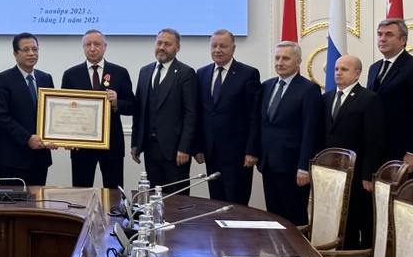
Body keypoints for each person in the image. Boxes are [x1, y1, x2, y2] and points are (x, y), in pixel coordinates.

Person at [323, 54, 385, 257]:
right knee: (341, 220)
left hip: (359, 175)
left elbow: (374, 140)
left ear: (357, 73)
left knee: (361, 220)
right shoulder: (327, 97)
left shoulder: (369, 98)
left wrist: (368, 174)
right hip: (333, 174)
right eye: (336, 69)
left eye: (344, 69)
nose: (338, 73)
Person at [255, 41, 323, 226]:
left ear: (298, 62)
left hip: (293, 167)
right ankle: (278, 254)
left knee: (294, 218)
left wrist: (304, 167)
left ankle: (297, 254)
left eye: (286, 58)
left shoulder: (309, 89)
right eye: (277, 58)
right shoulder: (267, 86)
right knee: (274, 217)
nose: (280, 62)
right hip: (269, 163)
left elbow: (311, 130)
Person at [194, 29, 261, 205]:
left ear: (233, 48)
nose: (218, 50)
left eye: (223, 46)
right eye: (214, 46)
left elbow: (254, 116)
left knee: (236, 204)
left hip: (238, 155)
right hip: (211, 152)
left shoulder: (248, 74)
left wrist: (252, 150)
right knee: (216, 203)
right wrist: (198, 147)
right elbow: (201, 114)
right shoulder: (202, 73)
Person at [61, 29, 135, 189]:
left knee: (114, 192)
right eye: (88, 44)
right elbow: (65, 111)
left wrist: (116, 103)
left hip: (111, 144)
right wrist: (66, 138)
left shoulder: (119, 72)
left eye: (97, 44)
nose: (92, 48)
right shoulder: (71, 74)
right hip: (82, 147)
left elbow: (132, 106)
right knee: (80, 192)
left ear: (105, 47)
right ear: (83, 47)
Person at [131, 28, 198, 192]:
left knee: (177, 199)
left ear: (177, 48)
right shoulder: (145, 71)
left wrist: (185, 148)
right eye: (159, 43)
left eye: (167, 44)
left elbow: (191, 114)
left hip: (176, 151)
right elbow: (139, 110)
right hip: (150, 148)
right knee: (153, 197)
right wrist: (135, 143)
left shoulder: (186, 73)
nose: (162, 47)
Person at [367, 18, 413, 178]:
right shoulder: (374, 68)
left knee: (404, 202)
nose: (382, 39)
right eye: (379, 34)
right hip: (377, 151)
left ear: (403, 40)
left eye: (389, 34)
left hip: (404, 154)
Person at [0, 33, 56, 186]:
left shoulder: (45, 78)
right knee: (13, 207)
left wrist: (56, 135)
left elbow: (52, 114)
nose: (31, 53)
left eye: (35, 49)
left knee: (37, 206)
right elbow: (0, 116)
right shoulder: (2, 79)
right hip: (13, 158)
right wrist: (27, 137)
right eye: (26, 49)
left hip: (40, 157)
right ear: (15, 54)